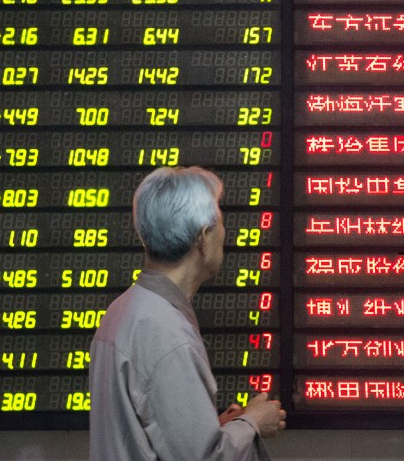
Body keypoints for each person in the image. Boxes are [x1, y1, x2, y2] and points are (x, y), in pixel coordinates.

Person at [90, 166, 285, 460]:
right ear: (203, 237)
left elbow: (144, 437)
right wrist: (253, 422)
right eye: (220, 220)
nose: (225, 233)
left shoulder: (124, 310)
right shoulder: (165, 333)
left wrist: (214, 428)